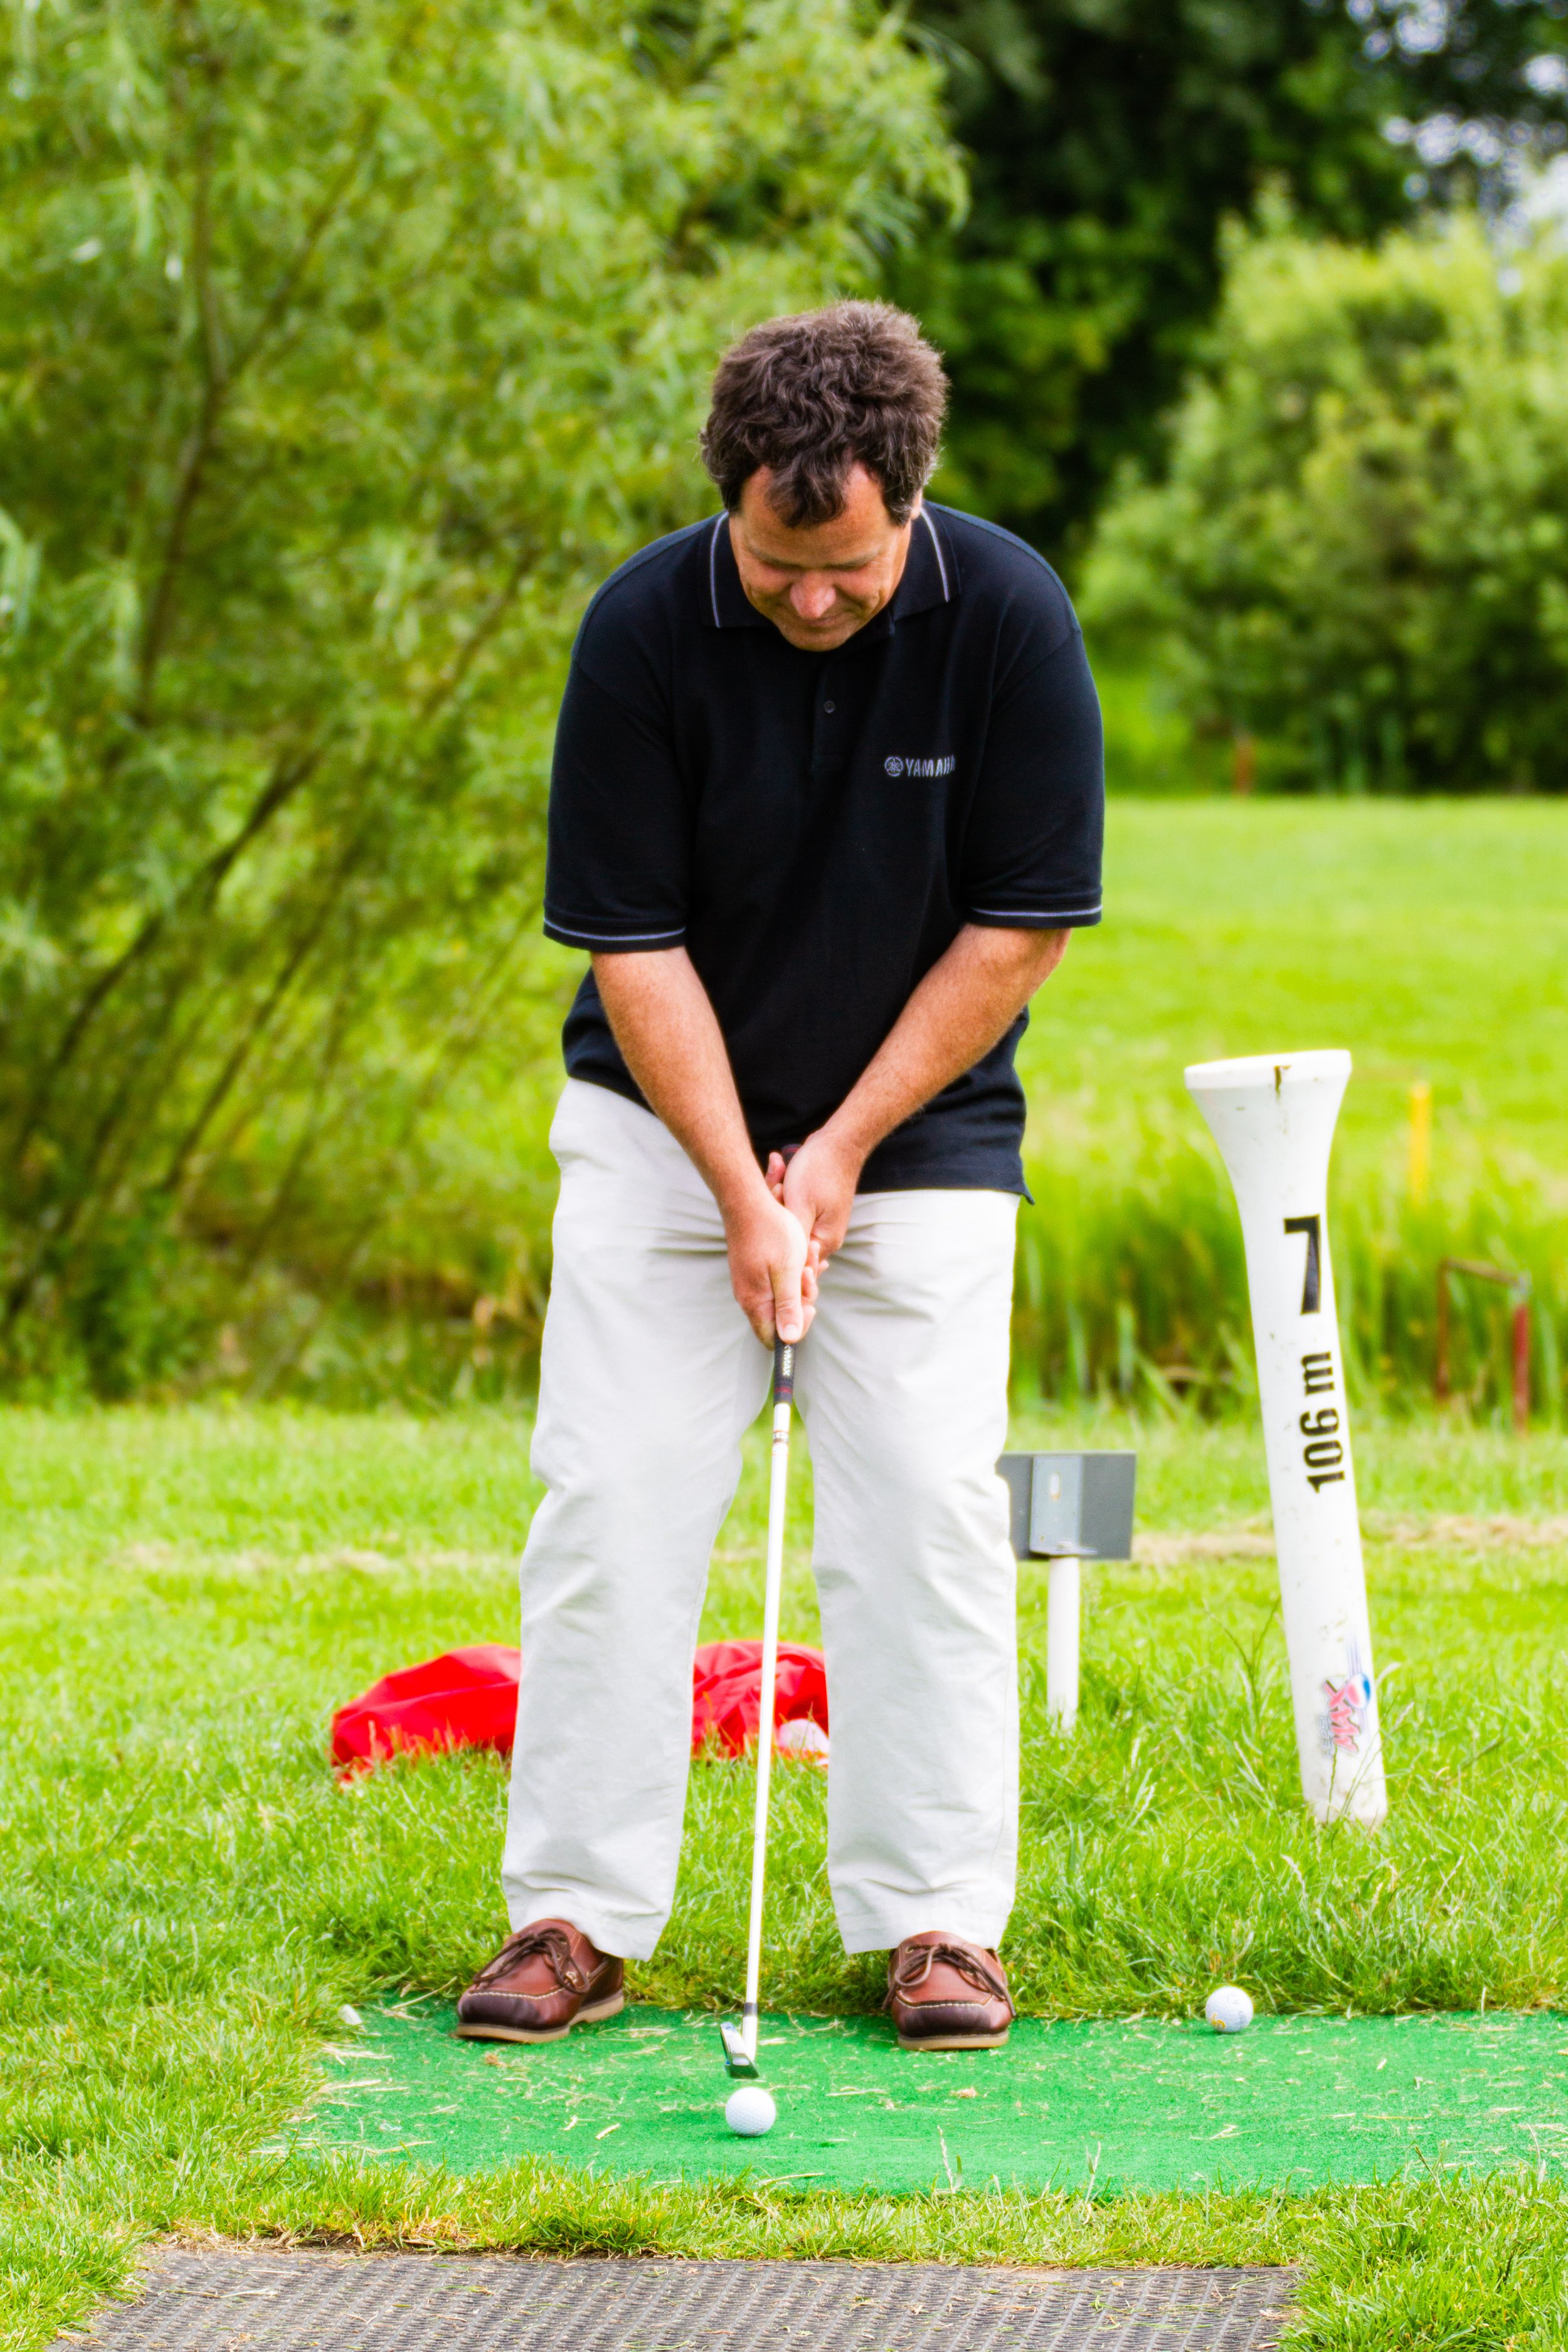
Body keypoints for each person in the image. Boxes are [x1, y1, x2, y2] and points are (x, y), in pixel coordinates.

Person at [457, 302, 1103, 2053]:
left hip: (920, 1139)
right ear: (726, 504)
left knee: (924, 1515)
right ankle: (575, 1914)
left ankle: (934, 1926)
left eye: (846, 569)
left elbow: (1021, 922)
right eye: (772, 563)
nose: (809, 601)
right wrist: (745, 1190)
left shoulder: (1013, 623)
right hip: (662, 1139)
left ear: (908, 503)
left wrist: (833, 1158)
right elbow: (630, 944)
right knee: (612, 1500)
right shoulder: (644, 630)